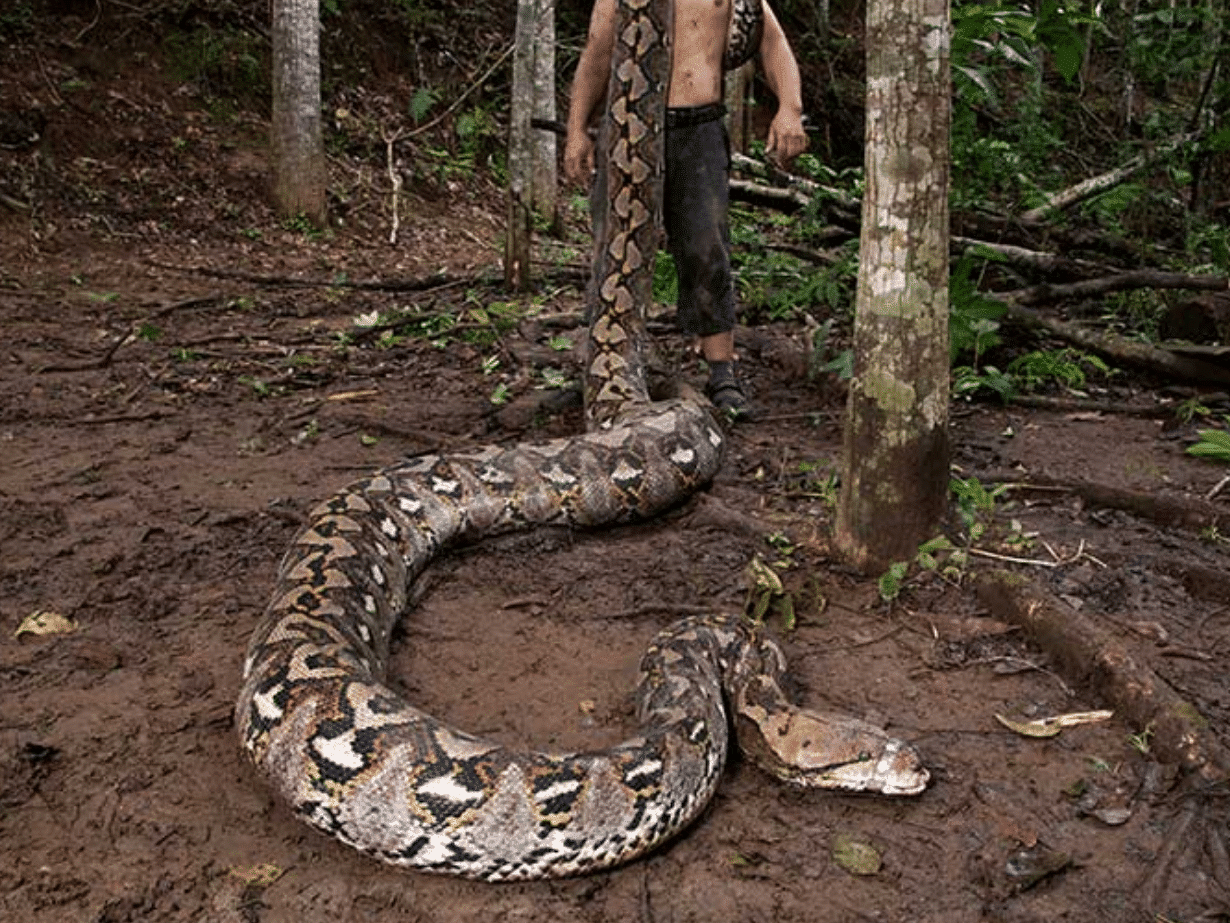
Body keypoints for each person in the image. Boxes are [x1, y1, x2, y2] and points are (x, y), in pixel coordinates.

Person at [564, 0, 808, 419]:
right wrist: (575, 132)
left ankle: (721, 372)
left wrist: (790, 107)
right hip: (626, 127)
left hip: (698, 128)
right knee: (612, 245)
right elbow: (597, 54)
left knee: (706, 246)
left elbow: (773, 41)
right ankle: (602, 363)